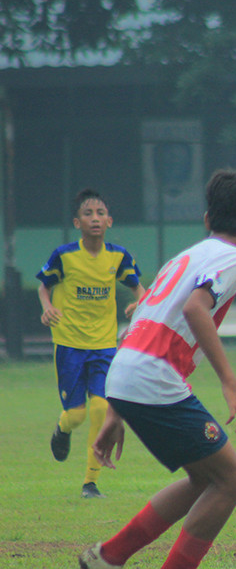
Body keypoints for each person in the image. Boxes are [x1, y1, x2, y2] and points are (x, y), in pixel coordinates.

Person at [78, 169, 236, 569]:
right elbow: (194, 308)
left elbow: (145, 313)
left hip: (129, 373)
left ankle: (108, 559)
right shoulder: (232, 256)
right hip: (154, 377)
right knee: (233, 479)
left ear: (207, 216)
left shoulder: (188, 255)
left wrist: (115, 411)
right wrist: (229, 383)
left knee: (205, 477)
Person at [36, 188, 145, 498]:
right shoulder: (65, 255)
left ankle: (90, 483)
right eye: (88, 214)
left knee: (101, 408)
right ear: (77, 222)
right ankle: (63, 427)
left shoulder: (119, 256)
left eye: (100, 213)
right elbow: (44, 287)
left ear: (109, 221)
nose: (94, 218)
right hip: (69, 343)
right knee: (77, 415)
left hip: (103, 345)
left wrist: (140, 304)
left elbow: (141, 291)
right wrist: (47, 307)